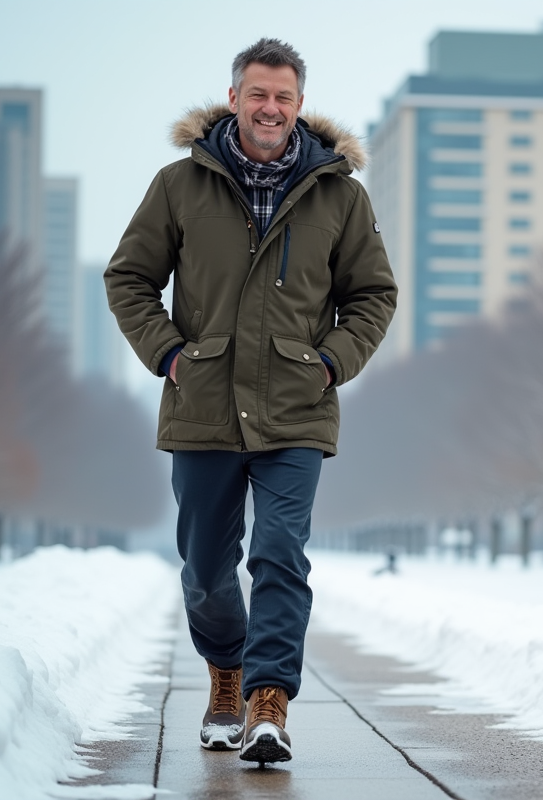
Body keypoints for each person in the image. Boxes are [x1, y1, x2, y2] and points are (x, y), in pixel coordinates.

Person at [104, 38, 396, 765]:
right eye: (258, 94)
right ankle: (226, 675)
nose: (271, 109)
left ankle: (270, 700)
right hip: (202, 405)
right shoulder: (179, 185)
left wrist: (332, 363)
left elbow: (373, 296)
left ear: (300, 106)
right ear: (234, 98)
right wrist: (170, 354)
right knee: (205, 568)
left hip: (296, 408)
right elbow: (128, 279)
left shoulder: (340, 195)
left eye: (285, 98)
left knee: (279, 552)